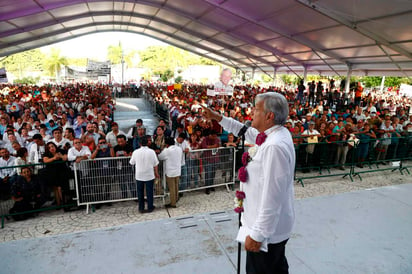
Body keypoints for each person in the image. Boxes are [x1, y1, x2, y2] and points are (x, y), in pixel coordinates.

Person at [202, 92, 295, 274]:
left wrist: (257, 235)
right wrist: (217, 117)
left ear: (269, 116)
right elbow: (245, 132)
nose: (251, 111)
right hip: (270, 229)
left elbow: (272, 197)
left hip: (267, 235)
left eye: (256, 109)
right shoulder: (273, 135)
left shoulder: (274, 147)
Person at [129, 136, 159, 213]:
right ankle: (150, 206)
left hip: (139, 175)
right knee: (150, 192)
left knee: (140, 192)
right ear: (148, 143)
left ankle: (141, 208)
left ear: (139, 143)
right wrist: (156, 173)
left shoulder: (135, 152)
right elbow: (155, 163)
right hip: (149, 174)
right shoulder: (152, 151)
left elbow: (131, 162)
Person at [158, 137, 183, 208]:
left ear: (167, 144)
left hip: (170, 172)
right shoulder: (179, 149)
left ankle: (173, 203)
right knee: (176, 186)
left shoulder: (167, 150)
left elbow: (160, 157)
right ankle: (176, 198)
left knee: (172, 188)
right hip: (177, 170)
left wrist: (162, 150)